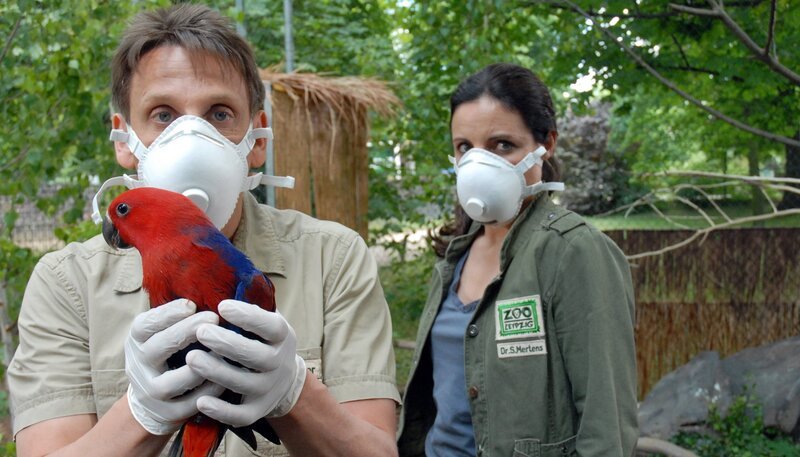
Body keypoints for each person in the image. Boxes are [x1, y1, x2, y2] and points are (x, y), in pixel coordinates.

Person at [8, 4, 400, 456]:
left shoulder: (334, 257)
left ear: (257, 141)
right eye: (162, 114)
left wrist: (294, 391)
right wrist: (143, 413)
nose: (191, 138)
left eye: (219, 114)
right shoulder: (64, 284)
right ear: (123, 139)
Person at [397, 63, 638, 456]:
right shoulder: (452, 258)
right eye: (465, 148)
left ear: (547, 144)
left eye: (502, 145)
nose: (479, 165)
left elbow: (605, 423)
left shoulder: (574, 252)